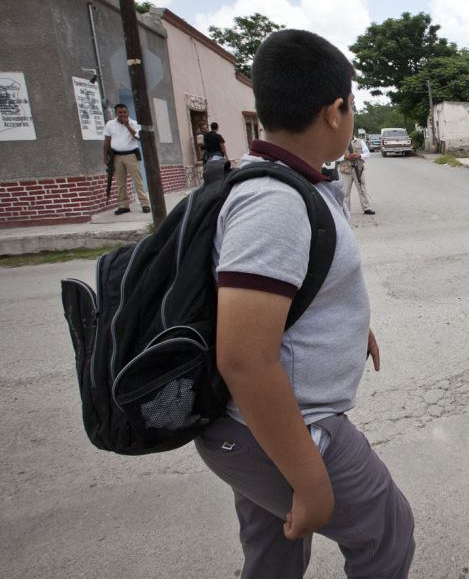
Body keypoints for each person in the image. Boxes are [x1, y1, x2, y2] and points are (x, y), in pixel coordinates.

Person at [195, 29, 415, 578]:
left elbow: (297, 290)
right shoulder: (274, 202)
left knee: (274, 553)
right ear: (336, 110)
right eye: (353, 103)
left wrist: (346, 324)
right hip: (286, 424)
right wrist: (310, 477)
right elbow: (244, 358)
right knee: (386, 532)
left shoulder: (297, 181)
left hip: (257, 428)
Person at [103, 103, 149, 215]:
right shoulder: (110, 124)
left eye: (124, 112)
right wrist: (105, 156)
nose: (122, 114)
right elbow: (107, 141)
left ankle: (144, 204)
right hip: (116, 156)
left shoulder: (133, 123)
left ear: (128, 112)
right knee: (120, 182)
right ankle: (123, 205)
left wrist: (127, 125)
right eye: (120, 112)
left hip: (131, 155)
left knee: (137, 181)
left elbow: (138, 137)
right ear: (116, 113)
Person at [338, 136, 375, 215]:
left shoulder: (360, 141)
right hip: (345, 170)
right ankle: (346, 210)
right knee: (345, 192)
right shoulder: (340, 142)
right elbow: (334, 157)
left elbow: (367, 154)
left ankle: (366, 208)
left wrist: (359, 156)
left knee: (362, 189)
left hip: (358, 169)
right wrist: (345, 157)